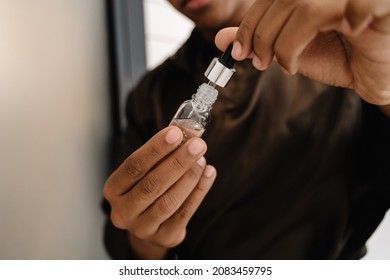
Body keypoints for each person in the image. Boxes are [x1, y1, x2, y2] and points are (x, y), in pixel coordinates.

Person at [102, 0, 390, 259]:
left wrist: (384, 88)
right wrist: (148, 239)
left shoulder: (347, 45)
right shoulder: (151, 94)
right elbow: (126, 245)